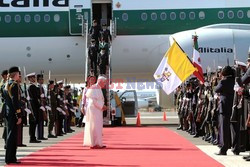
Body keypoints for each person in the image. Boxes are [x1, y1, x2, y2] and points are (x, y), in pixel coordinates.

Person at [214, 66, 235, 155]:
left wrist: (219, 80)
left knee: (224, 128)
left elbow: (216, 89)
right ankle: (234, 147)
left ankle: (223, 148)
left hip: (224, 106)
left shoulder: (223, 81)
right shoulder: (234, 80)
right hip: (233, 106)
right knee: (233, 128)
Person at [4, 66, 22, 164]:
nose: (19, 76)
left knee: (10, 134)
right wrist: (18, 115)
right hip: (13, 113)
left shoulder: (6, 84)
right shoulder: (14, 85)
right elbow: (15, 101)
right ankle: (11, 158)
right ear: (15, 74)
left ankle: (9, 158)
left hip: (8, 112)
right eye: (18, 74)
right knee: (12, 136)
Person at [83, 76, 107, 149]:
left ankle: (98, 143)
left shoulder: (98, 88)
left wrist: (102, 106)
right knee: (94, 126)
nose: (105, 84)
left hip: (97, 110)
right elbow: (93, 100)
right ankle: (94, 143)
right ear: (100, 81)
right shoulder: (94, 88)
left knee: (98, 126)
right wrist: (102, 106)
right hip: (94, 110)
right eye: (104, 82)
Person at [27, 73, 41, 143]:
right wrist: (39, 105)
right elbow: (35, 98)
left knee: (34, 123)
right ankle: (32, 138)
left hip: (33, 106)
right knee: (33, 122)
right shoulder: (31, 86)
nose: (34, 79)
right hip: (33, 106)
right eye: (32, 78)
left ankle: (33, 137)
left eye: (34, 77)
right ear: (29, 79)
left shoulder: (32, 86)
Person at [1, 70, 8, 147]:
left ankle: (7, 141)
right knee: (7, 126)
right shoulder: (3, 85)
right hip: (5, 107)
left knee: (8, 126)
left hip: (6, 107)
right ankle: (6, 142)